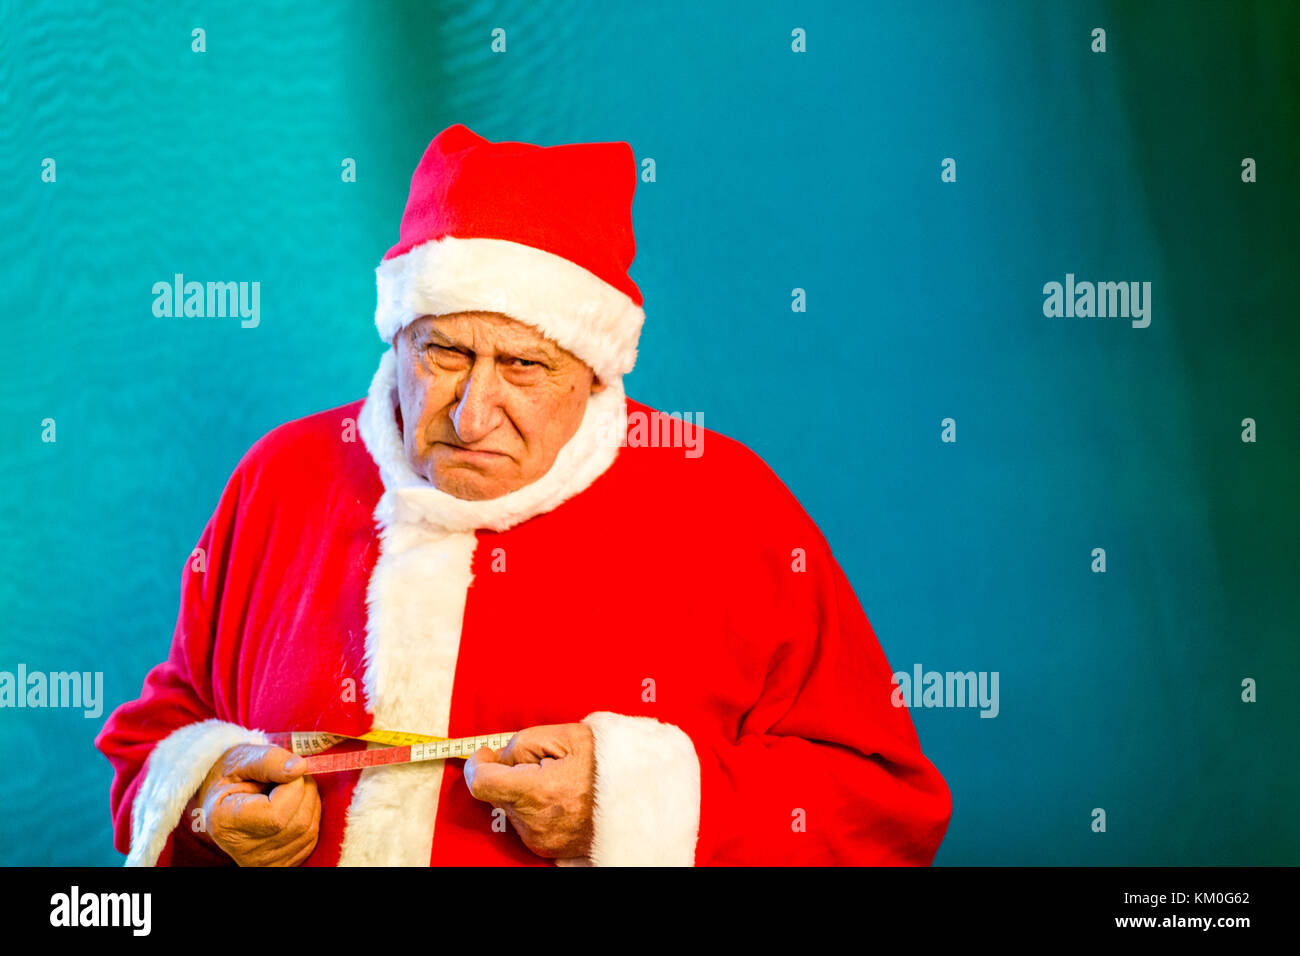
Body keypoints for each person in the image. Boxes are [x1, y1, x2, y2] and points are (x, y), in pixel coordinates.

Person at [94, 123, 952, 866]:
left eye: (523, 366)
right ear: (398, 336)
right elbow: (154, 739)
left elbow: (883, 809)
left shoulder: (729, 507)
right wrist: (206, 805)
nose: (472, 414)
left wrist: (627, 812)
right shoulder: (283, 477)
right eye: (444, 355)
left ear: (592, 369)